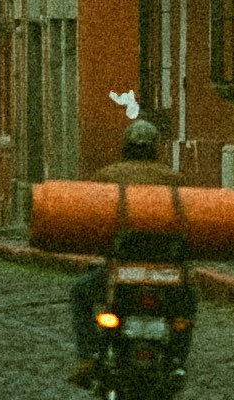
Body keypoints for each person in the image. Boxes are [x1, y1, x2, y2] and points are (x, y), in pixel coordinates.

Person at [69, 109, 181, 383]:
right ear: (155, 148)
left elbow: (91, 221)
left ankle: (88, 356)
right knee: (187, 306)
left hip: (119, 270)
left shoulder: (107, 176)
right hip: (165, 272)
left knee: (79, 293)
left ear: (126, 145)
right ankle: (178, 359)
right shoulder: (174, 179)